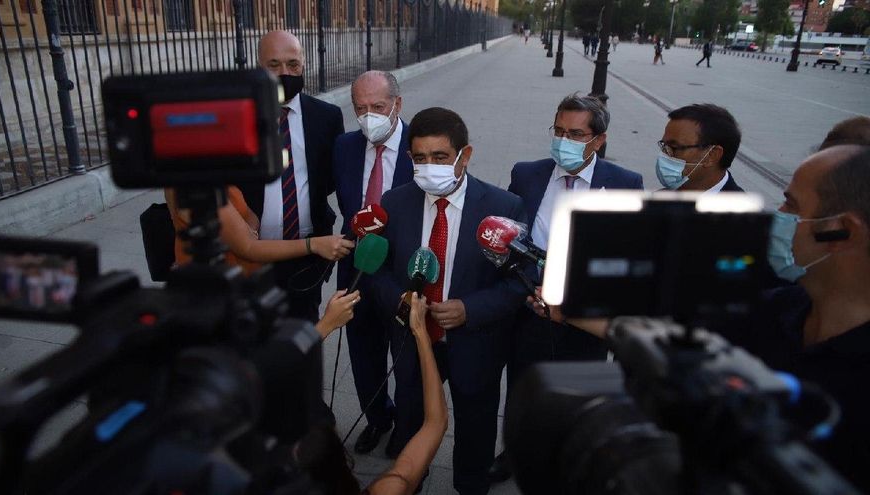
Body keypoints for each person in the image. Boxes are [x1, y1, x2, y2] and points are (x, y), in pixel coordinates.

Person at [537, 145, 870, 492]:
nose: (779, 214)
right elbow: (666, 338)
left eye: (792, 205)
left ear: (842, 230)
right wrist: (571, 305)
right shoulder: (769, 310)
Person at [488, 94, 645, 483]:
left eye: (575, 134)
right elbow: (514, 236)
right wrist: (526, 284)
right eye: (558, 131)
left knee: (579, 396)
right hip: (528, 307)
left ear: (598, 140)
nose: (563, 141)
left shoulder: (625, 183)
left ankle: (571, 457)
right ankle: (517, 450)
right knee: (523, 388)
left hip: (583, 319)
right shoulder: (526, 173)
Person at [372, 107, 526, 494]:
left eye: (440, 157)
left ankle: (470, 485)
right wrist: (400, 301)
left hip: (474, 343)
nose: (429, 167)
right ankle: (411, 481)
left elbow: (520, 284)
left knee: (475, 425)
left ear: (465, 156)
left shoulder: (504, 208)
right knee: (410, 419)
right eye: (419, 159)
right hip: (412, 341)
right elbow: (376, 271)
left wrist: (469, 309)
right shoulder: (394, 202)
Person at [332, 70, 415, 456]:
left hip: (402, 276)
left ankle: (407, 428)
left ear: (397, 104)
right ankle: (377, 418)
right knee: (363, 357)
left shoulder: (423, 147)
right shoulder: (344, 147)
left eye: (378, 107)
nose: (369, 117)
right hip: (356, 271)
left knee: (407, 359)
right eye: (360, 108)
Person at [239, 30, 346, 322]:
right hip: (249, 256)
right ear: (258, 67)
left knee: (303, 346)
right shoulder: (238, 118)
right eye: (273, 65)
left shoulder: (327, 117)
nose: (284, 73)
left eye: (292, 64)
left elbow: (331, 179)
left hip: (306, 258)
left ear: (303, 65)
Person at [294, 293, 449, 495]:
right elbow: (435, 423)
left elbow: (269, 378)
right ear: (342, 462)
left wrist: (325, 325)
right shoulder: (389, 489)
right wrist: (421, 332)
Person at [165, 187, 352, 275]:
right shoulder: (194, 188)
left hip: (244, 283)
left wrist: (247, 230)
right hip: (216, 294)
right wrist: (314, 244)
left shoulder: (215, 176)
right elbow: (247, 248)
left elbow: (249, 215)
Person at [656, 103, 743, 192]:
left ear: (712, 155)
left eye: (674, 147)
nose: (665, 155)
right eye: (664, 146)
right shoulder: (659, 200)